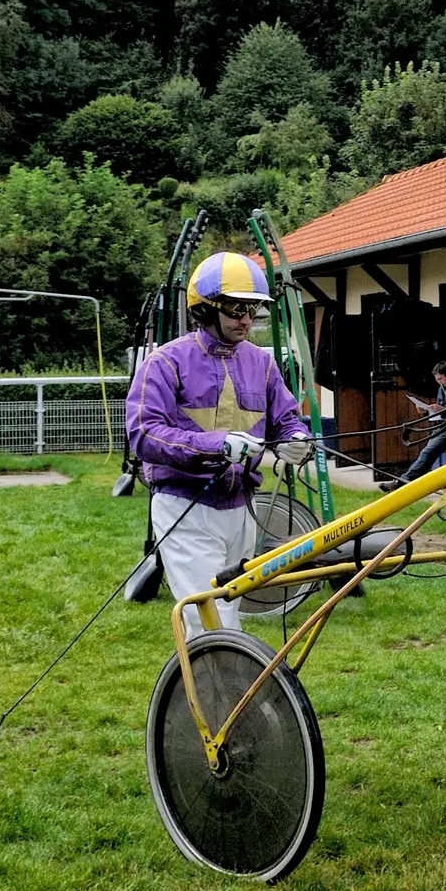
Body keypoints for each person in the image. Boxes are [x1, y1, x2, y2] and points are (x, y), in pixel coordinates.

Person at [127, 252, 315, 635]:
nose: (246, 319)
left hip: (243, 508)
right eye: (235, 309)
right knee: (207, 617)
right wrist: (216, 446)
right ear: (206, 311)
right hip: (185, 505)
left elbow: (287, 420)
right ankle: (219, 691)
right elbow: (143, 434)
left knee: (228, 607)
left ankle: (227, 690)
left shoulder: (262, 364)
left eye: (252, 310)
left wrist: (298, 441)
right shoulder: (164, 362)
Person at [380, 360, 446, 491]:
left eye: (441, 378)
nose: (439, 382)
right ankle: (408, 480)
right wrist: (426, 411)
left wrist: (441, 409)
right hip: (442, 427)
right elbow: (441, 413)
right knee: (426, 453)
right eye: (437, 380)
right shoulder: (442, 389)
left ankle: (403, 482)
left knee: (427, 453)